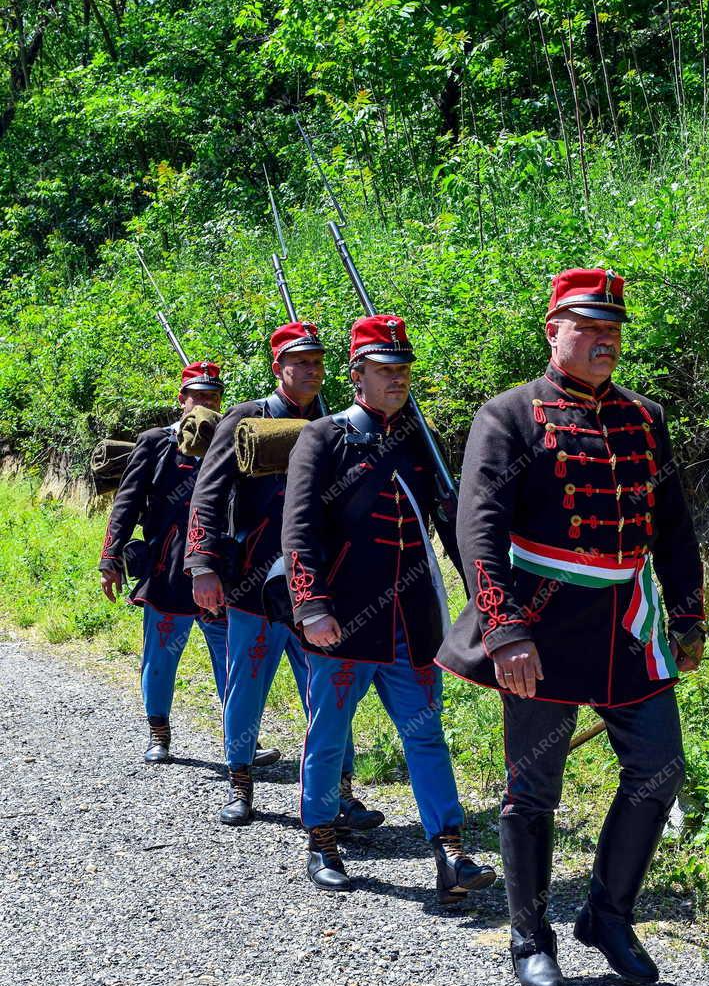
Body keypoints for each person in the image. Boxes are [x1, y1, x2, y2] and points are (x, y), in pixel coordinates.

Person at [437, 268, 707, 986]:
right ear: (553, 331)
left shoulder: (645, 417)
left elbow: (674, 527)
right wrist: (505, 629)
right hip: (542, 623)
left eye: (611, 329)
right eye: (587, 327)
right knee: (534, 789)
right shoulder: (508, 416)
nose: (603, 340)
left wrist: (688, 615)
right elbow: (478, 529)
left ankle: (607, 916)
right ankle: (530, 937)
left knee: (659, 767)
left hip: (626, 625)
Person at [280, 313, 495, 905]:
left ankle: (450, 852)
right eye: (385, 369)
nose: (398, 378)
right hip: (343, 620)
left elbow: (452, 525)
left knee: (426, 736)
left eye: (403, 369)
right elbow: (299, 529)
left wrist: (486, 596)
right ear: (357, 375)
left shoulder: (420, 441)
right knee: (328, 733)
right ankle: (322, 840)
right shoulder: (322, 438)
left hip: (412, 622)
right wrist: (311, 605)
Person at [184, 320, 381, 831]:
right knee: (247, 683)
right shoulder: (246, 417)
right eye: (300, 362)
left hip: (317, 585)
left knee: (329, 693)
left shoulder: (339, 423)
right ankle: (240, 783)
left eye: (317, 362)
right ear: (279, 367)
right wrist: (202, 565)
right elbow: (208, 493)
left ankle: (339, 793)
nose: (312, 370)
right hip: (255, 583)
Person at [99, 361, 230, 763]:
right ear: (182, 399)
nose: (206, 403)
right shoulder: (156, 442)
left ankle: (241, 739)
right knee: (161, 657)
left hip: (221, 569)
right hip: (167, 569)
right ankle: (159, 733)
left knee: (231, 658)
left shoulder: (231, 441)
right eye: (198, 396)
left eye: (213, 396)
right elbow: (127, 502)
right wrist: (109, 559)